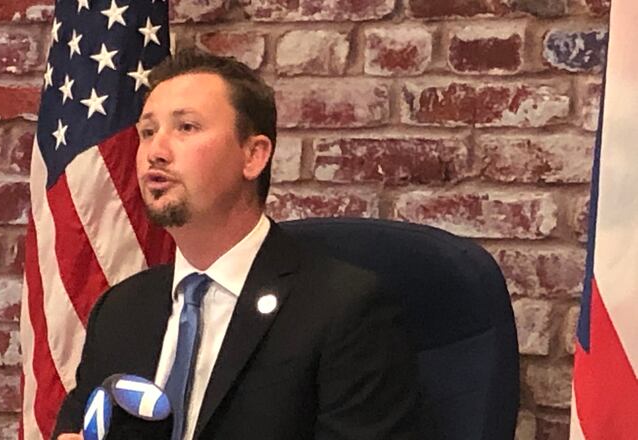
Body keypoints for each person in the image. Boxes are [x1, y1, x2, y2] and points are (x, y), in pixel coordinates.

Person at [52, 48, 420, 440]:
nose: (155, 152)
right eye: (147, 132)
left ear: (253, 155)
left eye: (186, 127)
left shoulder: (343, 309)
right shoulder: (121, 310)